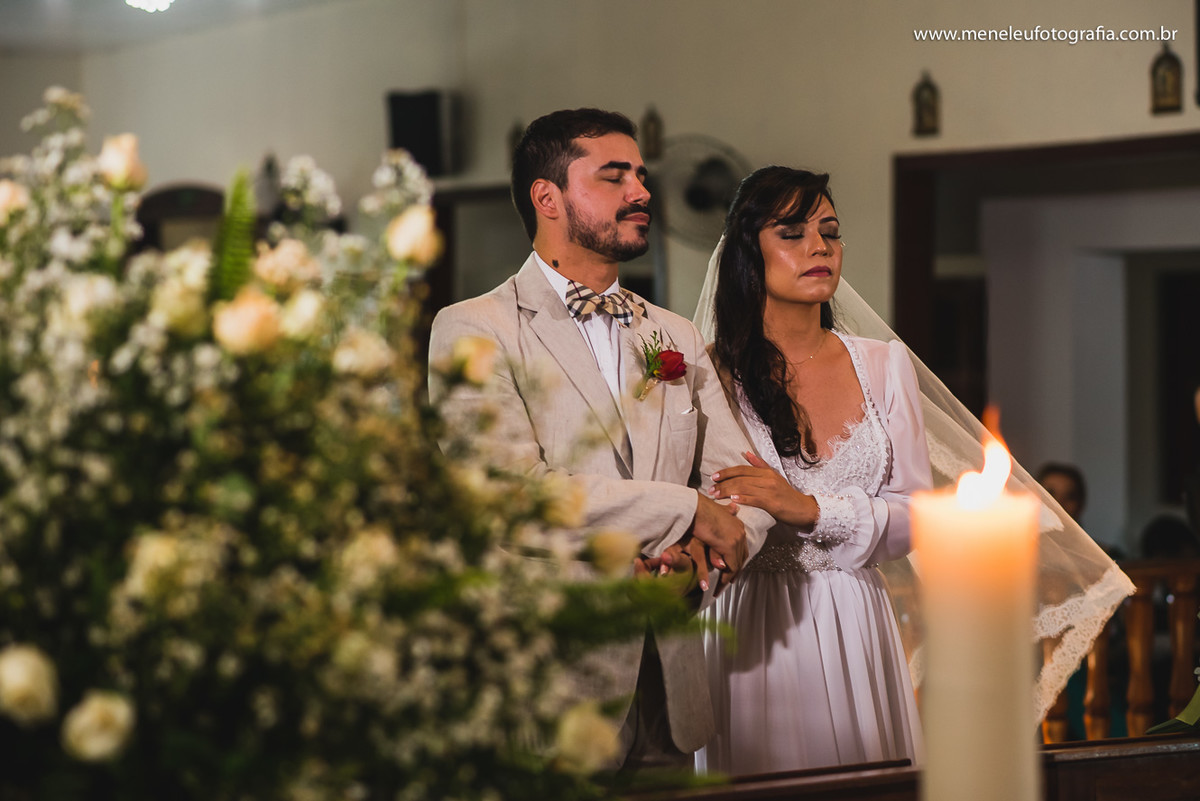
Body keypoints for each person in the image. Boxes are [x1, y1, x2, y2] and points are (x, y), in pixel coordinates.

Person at [427, 108, 774, 770]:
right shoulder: (473, 327)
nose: (641, 191)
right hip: (548, 692)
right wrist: (685, 510)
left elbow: (744, 482)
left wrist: (698, 563)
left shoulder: (673, 333)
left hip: (671, 691)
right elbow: (509, 494)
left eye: (640, 175)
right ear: (547, 197)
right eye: (614, 177)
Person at [691, 166, 927, 773]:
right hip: (750, 625)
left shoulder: (885, 365)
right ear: (748, 253)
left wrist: (811, 509)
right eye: (793, 233)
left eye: (830, 231)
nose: (820, 247)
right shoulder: (703, 376)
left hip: (856, 619)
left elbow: (918, 515)